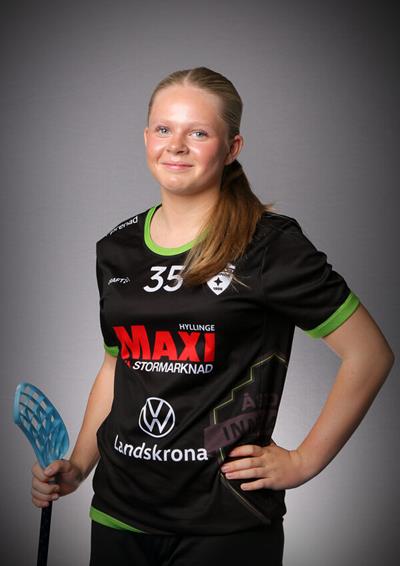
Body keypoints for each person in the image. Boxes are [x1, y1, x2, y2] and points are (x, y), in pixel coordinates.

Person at [30, 67, 394, 566]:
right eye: (164, 129)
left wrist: (304, 461)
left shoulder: (269, 245)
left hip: (224, 522)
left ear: (231, 147)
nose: (176, 145)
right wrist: (78, 465)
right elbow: (117, 366)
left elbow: (369, 355)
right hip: (118, 510)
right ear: (146, 137)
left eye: (198, 133)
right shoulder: (116, 249)